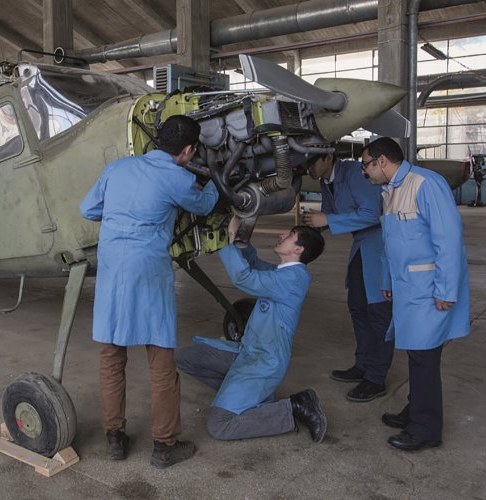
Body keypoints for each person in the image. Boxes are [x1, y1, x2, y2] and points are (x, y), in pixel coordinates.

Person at [79, 115, 219, 468]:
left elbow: (88, 209)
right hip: (147, 271)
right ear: (188, 151)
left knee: (111, 357)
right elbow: (204, 205)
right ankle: (164, 445)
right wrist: (218, 179)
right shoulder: (177, 176)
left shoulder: (117, 168)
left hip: (111, 270)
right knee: (160, 362)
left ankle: (114, 438)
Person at [360, 137, 470, 452]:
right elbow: (391, 243)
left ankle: (426, 428)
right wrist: (387, 279)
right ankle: (416, 410)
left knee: (424, 357)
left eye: (366, 165)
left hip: (430, 290)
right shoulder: (390, 192)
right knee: (416, 353)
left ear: (382, 161)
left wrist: (447, 290)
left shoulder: (425, 185)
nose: (365, 173)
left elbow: (448, 240)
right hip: (409, 290)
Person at [175, 220, 327, 443]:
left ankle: (295, 407)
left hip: (264, 362)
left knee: (219, 426)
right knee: (185, 358)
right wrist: (240, 237)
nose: (282, 235)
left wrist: (225, 239)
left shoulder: (293, 279)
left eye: (291, 234)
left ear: (298, 249)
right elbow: (253, 262)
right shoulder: (281, 272)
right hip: (246, 353)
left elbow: (243, 277)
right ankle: (248, 397)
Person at [302, 153, 394, 402]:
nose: (308, 167)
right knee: (357, 308)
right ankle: (362, 364)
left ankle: (376, 378)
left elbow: (371, 214)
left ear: (327, 156)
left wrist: (327, 219)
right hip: (361, 250)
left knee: (378, 314)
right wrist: (314, 225)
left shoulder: (354, 173)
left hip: (378, 249)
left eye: (312, 161)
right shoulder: (326, 181)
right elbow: (331, 214)